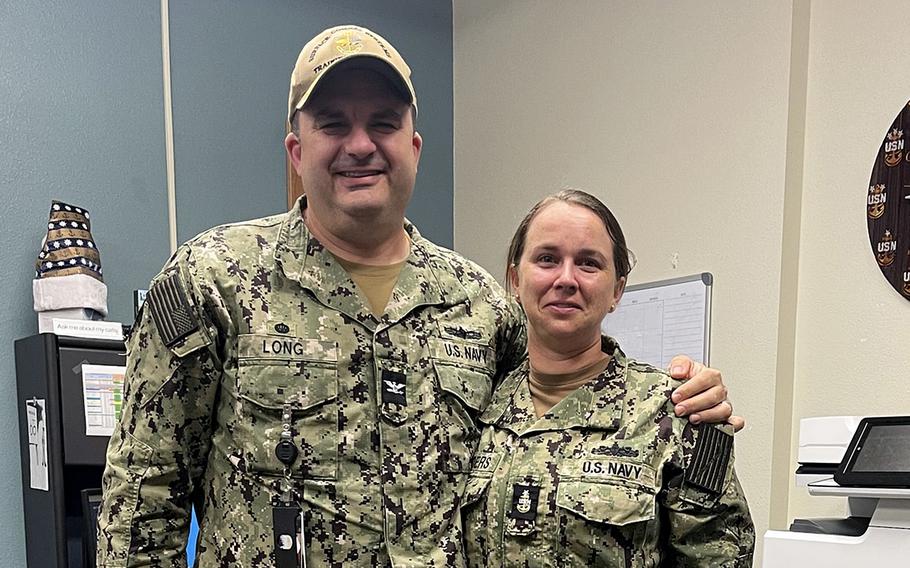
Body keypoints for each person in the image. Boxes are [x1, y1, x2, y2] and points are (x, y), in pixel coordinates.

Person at [96, 25, 738, 567]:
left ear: (414, 147)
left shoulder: (482, 305)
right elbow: (143, 497)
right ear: (297, 149)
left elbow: (557, 414)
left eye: (382, 122)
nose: (359, 144)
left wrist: (687, 395)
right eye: (332, 124)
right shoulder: (214, 279)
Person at [462, 190, 755, 567]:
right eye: (547, 258)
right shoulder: (477, 408)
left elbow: (719, 558)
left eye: (588, 263)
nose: (566, 278)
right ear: (515, 280)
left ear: (617, 289)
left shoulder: (674, 413)